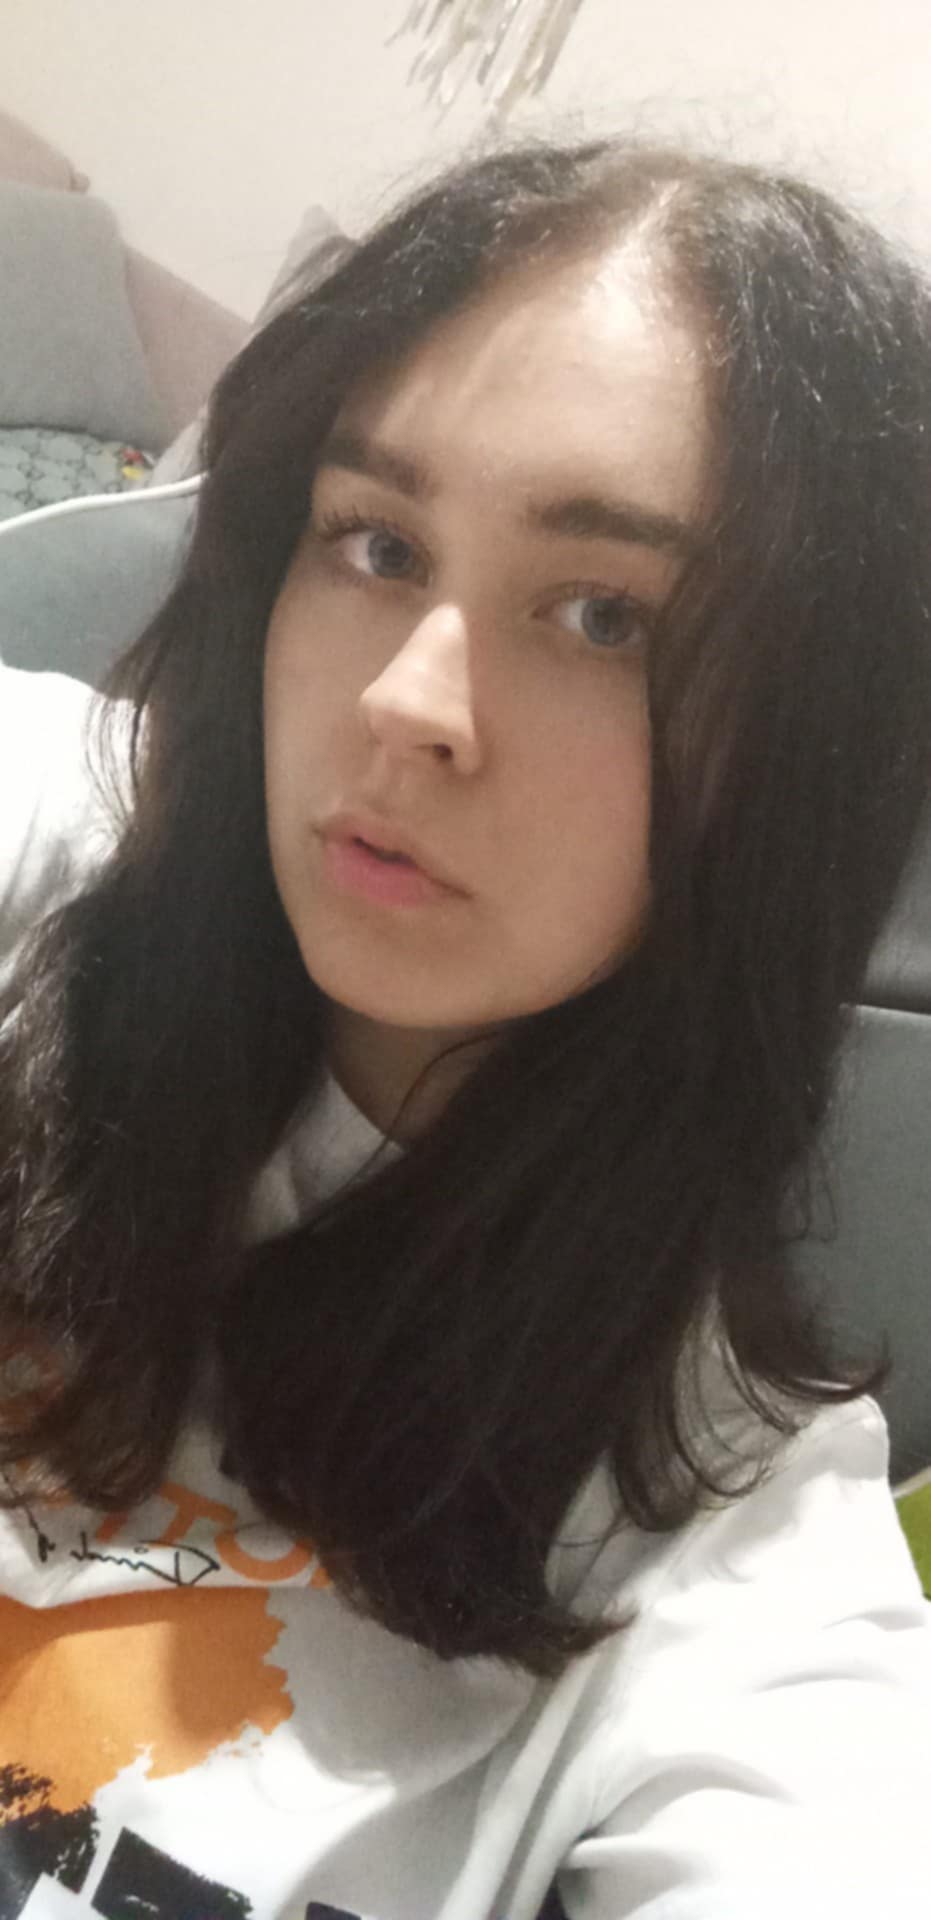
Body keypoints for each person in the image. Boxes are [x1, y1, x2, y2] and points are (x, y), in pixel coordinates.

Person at [0, 133, 929, 1920]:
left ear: (794, 753)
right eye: (377, 541)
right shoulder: (66, 882)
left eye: (603, 616)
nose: (411, 696)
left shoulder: (729, 1550)